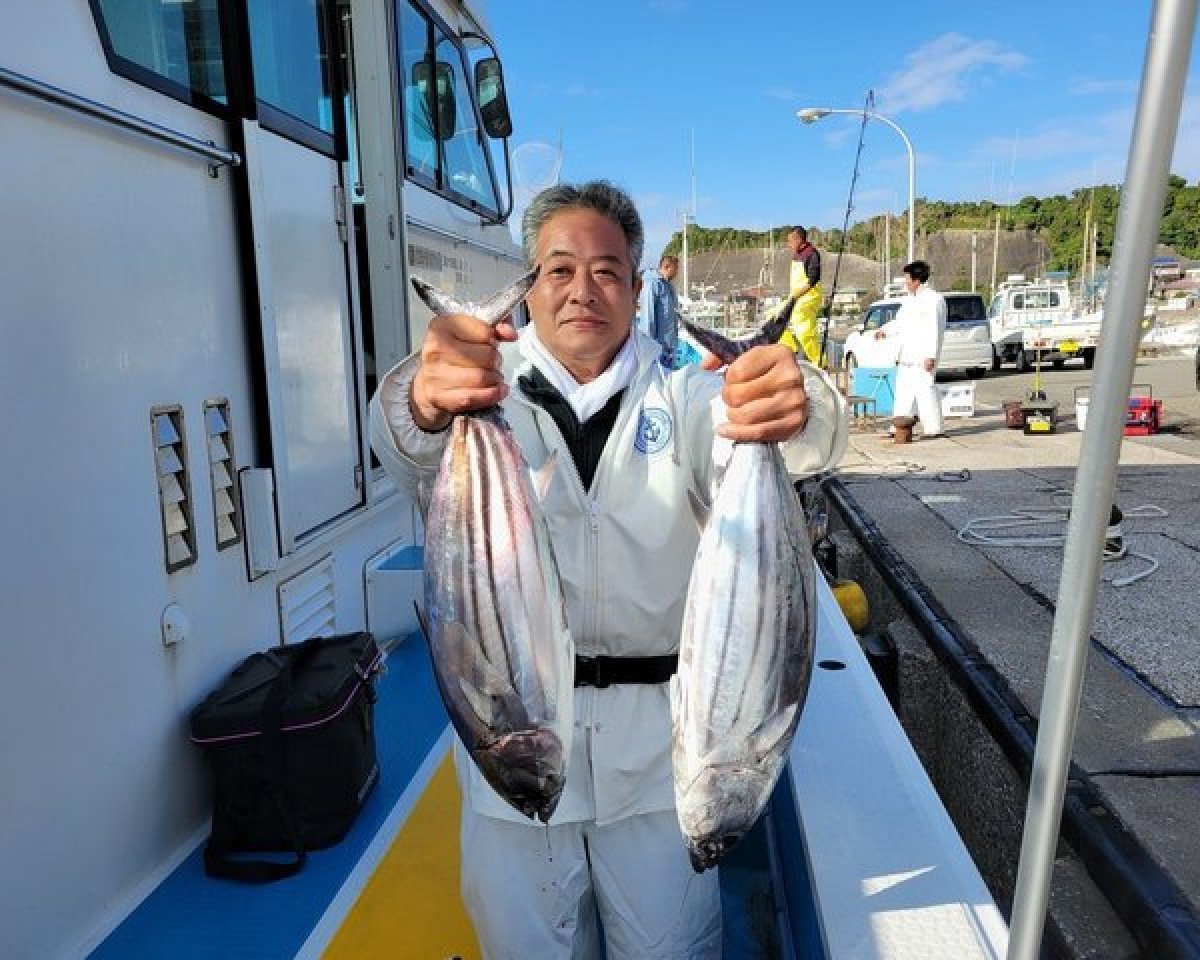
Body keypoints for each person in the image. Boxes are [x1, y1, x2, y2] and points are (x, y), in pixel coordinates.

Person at [369, 180, 846, 959]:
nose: (582, 290)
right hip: (513, 763)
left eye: (607, 270)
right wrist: (421, 401)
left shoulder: (689, 394)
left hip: (661, 768)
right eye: (559, 269)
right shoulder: (480, 387)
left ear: (635, 286)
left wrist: (796, 402)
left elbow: (789, 443)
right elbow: (404, 447)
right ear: (529, 287)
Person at [874, 259, 947, 440]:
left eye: (907, 278)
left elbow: (934, 329)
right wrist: (885, 331)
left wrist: (931, 355)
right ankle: (899, 426)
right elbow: (900, 323)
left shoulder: (934, 300)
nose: (905, 282)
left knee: (925, 390)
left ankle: (934, 428)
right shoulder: (908, 301)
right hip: (907, 354)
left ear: (916, 280)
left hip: (923, 355)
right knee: (903, 392)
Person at [774, 226, 824, 365]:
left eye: (790, 241)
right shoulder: (797, 255)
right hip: (795, 297)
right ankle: (791, 349)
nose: (789, 245)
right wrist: (793, 297)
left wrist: (796, 296)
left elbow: (813, 281)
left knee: (803, 329)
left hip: (809, 296)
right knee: (774, 316)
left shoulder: (812, 254)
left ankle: (820, 362)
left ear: (798, 239)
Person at [637, 252, 681, 362]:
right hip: (657, 350)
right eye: (675, 269)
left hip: (669, 348)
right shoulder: (652, 284)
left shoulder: (668, 285)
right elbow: (648, 317)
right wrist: (649, 349)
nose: (676, 273)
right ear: (667, 267)